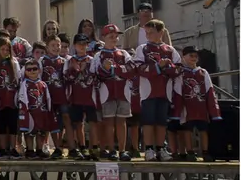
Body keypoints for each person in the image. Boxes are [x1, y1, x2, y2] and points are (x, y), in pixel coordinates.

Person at [133, 19, 180, 162]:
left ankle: (161, 148)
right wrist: (158, 67)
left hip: (165, 90)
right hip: (148, 90)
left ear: (161, 32)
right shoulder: (142, 48)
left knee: (161, 121)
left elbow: (178, 69)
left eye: (151, 32)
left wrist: (167, 67)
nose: (148, 35)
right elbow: (139, 68)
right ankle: (148, 149)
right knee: (148, 120)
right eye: (146, 33)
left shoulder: (170, 50)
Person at [92, 24, 134, 161]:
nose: (114, 39)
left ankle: (122, 150)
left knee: (122, 121)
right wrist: (107, 70)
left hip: (123, 92)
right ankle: (111, 150)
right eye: (111, 36)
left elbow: (131, 70)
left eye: (116, 36)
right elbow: (96, 73)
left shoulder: (124, 53)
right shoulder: (99, 55)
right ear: (104, 37)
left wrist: (112, 69)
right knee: (108, 122)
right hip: (106, 93)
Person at [172, 46, 222, 162]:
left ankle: (205, 152)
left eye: (195, 56)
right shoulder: (181, 73)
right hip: (187, 107)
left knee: (203, 130)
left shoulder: (203, 72)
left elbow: (210, 91)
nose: (193, 58)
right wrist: (177, 110)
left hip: (201, 107)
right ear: (183, 57)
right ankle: (190, 152)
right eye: (191, 56)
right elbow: (178, 92)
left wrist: (214, 111)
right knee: (187, 129)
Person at [64, 34, 100, 160]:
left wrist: (85, 70)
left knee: (93, 122)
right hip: (75, 96)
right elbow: (66, 77)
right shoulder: (69, 61)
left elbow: (94, 77)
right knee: (78, 123)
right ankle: (82, 147)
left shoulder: (92, 59)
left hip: (90, 96)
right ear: (74, 45)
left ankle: (94, 147)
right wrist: (76, 70)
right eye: (79, 44)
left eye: (84, 44)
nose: (82, 46)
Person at [18, 59, 56, 159]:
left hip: (42, 112)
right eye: (29, 69)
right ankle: (30, 150)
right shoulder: (25, 84)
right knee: (29, 132)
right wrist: (25, 111)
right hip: (30, 112)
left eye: (34, 69)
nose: (32, 71)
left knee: (41, 132)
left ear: (39, 70)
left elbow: (47, 98)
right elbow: (22, 98)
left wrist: (49, 110)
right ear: (25, 71)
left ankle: (39, 149)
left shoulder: (43, 84)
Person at [39, 35, 68, 159]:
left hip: (61, 96)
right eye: (53, 45)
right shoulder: (42, 61)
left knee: (63, 122)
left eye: (58, 45)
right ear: (47, 47)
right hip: (48, 97)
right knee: (51, 122)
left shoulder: (64, 61)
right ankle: (51, 146)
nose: (56, 48)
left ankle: (61, 146)